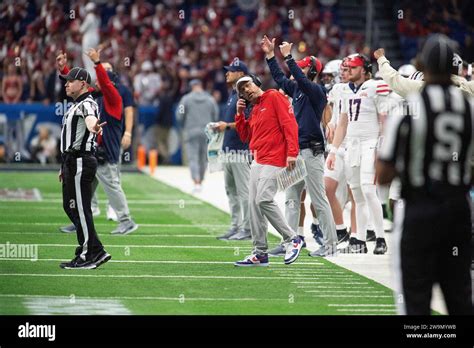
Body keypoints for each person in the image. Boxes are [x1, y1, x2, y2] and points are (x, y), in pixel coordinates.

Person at [377, 34, 473, 315]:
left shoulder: (410, 107)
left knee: (415, 299)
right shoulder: (469, 107)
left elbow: (383, 175)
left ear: (422, 64)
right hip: (458, 211)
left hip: (419, 212)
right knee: (459, 297)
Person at [261, 35, 338, 257]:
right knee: (292, 199)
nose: (296, 72)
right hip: (295, 152)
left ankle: (331, 244)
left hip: (311, 151)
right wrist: (270, 56)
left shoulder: (316, 91)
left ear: (309, 71)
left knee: (318, 198)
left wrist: (288, 57)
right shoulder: (298, 90)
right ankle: (290, 242)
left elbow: (298, 79)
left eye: (301, 68)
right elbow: (280, 78)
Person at [57, 49, 138, 235]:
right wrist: (65, 69)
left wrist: (97, 63)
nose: (97, 82)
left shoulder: (114, 99)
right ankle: (79, 221)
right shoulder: (98, 97)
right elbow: (79, 85)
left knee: (112, 186)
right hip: (94, 153)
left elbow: (103, 85)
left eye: (101, 80)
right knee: (85, 189)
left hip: (106, 152)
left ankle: (126, 220)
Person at [234, 75, 304, 266]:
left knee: (264, 198)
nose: (246, 91)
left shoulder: (273, 96)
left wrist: (292, 152)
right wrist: (240, 115)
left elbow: (289, 123)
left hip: (275, 157)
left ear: (257, 83)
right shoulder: (255, 109)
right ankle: (259, 252)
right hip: (258, 159)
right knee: (253, 205)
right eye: (242, 90)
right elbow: (245, 136)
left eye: (247, 85)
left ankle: (292, 239)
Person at [327, 54, 388, 255]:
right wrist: (333, 151)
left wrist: (382, 147)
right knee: (358, 196)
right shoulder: (344, 90)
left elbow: (384, 120)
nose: (348, 71)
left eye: (353, 68)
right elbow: (343, 124)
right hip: (352, 146)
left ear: (363, 69)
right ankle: (359, 241)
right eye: (347, 67)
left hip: (370, 143)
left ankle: (380, 238)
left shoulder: (375, 86)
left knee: (369, 191)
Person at [58, 66, 110, 269]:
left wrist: (94, 126)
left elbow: (90, 119)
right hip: (72, 161)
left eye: (71, 80)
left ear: (83, 84)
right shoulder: (76, 104)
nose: (66, 83)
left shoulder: (87, 103)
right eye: (66, 80)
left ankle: (91, 253)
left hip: (81, 161)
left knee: (81, 208)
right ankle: (91, 248)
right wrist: (64, 164)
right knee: (70, 207)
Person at [213, 58, 251, 241]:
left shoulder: (246, 95)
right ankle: (236, 226)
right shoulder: (232, 94)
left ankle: (248, 228)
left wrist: (226, 126)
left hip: (241, 150)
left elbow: (250, 123)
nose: (227, 73)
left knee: (244, 192)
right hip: (228, 149)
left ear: (241, 74)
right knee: (231, 191)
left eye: (231, 70)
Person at [177, 79, 219, 192]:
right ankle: (200, 180)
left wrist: (184, 124)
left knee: (193, 158)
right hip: (207, 132)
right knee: (204, 159)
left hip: (191, 131)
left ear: (192, 87)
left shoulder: (185, 99)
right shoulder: (210, 100)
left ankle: (196, 182)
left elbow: (179, 114)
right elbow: (215, 115)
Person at [80, 3, 100, 81]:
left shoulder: (89, 17)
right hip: (95, 39)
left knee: (87, 57)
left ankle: (91, 77)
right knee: (93, 58)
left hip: (88, 39)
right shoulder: (97, 18)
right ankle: (95, 76)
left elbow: (81, 30)